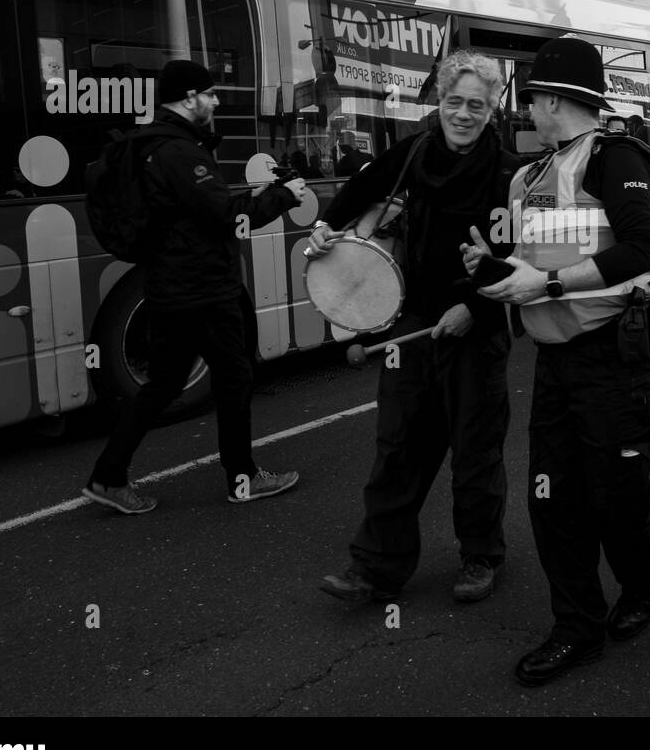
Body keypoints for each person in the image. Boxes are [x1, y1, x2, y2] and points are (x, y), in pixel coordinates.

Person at [463, 36, 650, 687]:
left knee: (615, 496)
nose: (525, 109)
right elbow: (540, 263)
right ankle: (576, 628)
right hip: (557, 361)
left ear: (554, 99)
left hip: (619, 358)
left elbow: (638, 249)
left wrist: (545, 287)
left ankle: (646, 577)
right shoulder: (527, 177)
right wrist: (493, 269)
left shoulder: (617, 159)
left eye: (531, 98)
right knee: (552, 499)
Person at [314, 50, 518, 604]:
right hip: (417, 321)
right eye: (454, 101)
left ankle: (480, 556)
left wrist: (475, 307)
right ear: (440, 101)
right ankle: (375, 567)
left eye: (477, 104)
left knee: (475, 450)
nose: (463, 113)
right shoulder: (415, 153)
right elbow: (361, 188)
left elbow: (524, 257)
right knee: (398, 446)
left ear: (493, 107)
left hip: (477, 323)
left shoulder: (510, 175)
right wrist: (323, 227)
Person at [83, 60, 306, 514]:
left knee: (163, 384)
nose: (216, 101)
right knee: (235, 377)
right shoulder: (180, 151)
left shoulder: (150, 144)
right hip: (203, 286)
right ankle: (243, 478)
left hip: (166, 283)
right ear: (188, 98)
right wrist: (284, 196)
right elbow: (226, 216)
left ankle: (108, 477)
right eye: (209, 93)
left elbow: (191, 209)